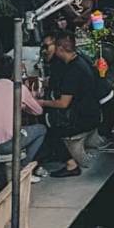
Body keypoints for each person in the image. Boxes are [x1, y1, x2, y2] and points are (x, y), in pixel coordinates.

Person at [39, 30, 102, 175]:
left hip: (82, 119)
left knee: (50, 131)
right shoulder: (80, 60)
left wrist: (42, 102)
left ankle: (71, 165)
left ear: (60, 49)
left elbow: (63, 104)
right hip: (93, 113)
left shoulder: (73, 71)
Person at [0, 55, 47, 170]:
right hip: (8, 144)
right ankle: (23, 167)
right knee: (41, 129)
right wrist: (26, 104)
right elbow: (38, 111)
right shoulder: (18, 88)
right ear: (13, 72)